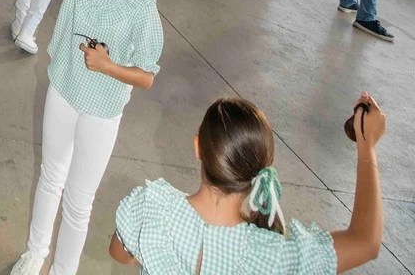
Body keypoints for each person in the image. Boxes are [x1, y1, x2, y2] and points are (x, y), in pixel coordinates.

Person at [8, 0, 162, 275]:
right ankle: (35, 253)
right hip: (64, 89)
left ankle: (63, 270)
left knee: (79, 200)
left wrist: (109, 66)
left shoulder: (143, 6)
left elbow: (147, 76)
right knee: (50, 176)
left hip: (102, 110)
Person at [110, 93, 387, 273]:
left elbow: (120, 254)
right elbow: (366, 242)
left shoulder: (150, 207)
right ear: (262, 173)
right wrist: (367, 144)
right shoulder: (274, 257)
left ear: (198, 147)